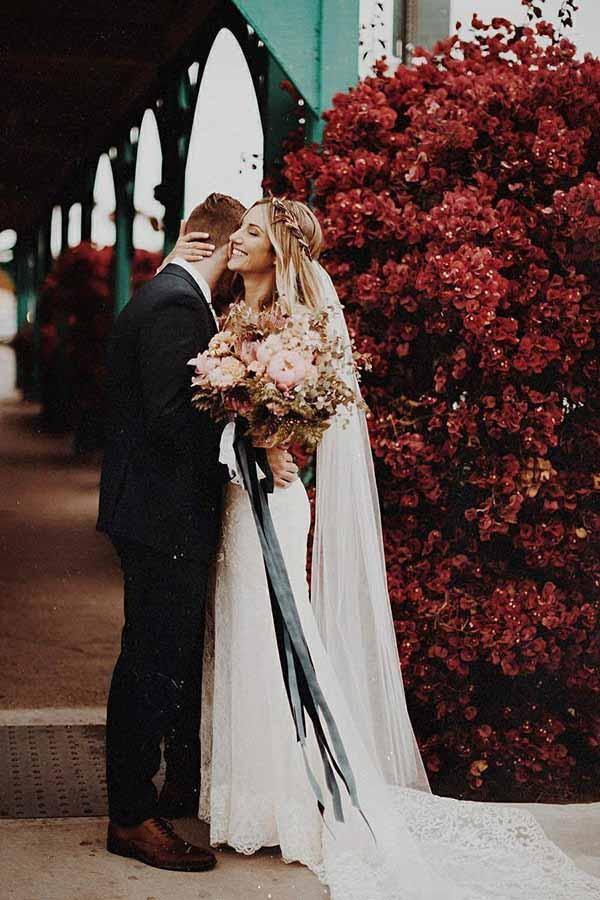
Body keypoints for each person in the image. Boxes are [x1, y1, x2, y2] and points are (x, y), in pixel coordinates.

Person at [170, 197, 600, 899]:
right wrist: (249, 424)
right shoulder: (236, 321)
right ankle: (244, 797)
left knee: (276, 633)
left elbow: (314, 413)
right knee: (243, 636)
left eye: (250, 232)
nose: (236, 242)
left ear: (279, 250)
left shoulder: (293, 324)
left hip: (272, 502)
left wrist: (277, 439)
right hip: (235, 498)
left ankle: (292, 801)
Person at [96, 192, 297, 872]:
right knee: (151, 658)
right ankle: (130, 816)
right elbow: (169, 417)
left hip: (157, 510)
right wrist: (248, 417)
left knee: (166, 655)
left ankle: (166, 786)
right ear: (213, 245)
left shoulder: (176, 297)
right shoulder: (178, 306)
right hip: (162, 514)